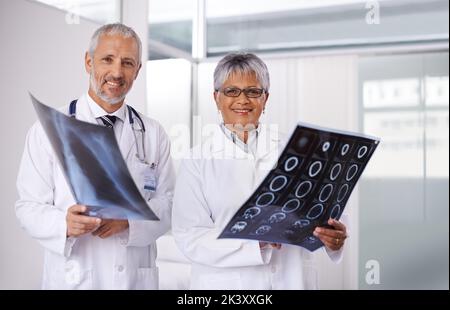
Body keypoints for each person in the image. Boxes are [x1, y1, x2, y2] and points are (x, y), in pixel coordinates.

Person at [15, 23, 175, 289]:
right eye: (107, 59)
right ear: (89, 62)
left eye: (127, 62)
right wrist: (63, 223)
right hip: (74, 277)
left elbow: (169, 204)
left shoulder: (153, 133)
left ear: (137, 70)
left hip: (135, 278)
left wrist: (127, 222)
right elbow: (27, 207)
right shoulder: (49, 128)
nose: (116, 72)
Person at [172, 53, 348, 289]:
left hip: (291, 280)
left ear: (265, 99)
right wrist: (254, 243)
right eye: (231, 91)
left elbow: (330, 211)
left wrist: (334, 238)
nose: (242, 100)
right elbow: (190, 237)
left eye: (253, 91)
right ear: (216, 98)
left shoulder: (299, 151)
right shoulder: (196, 160)